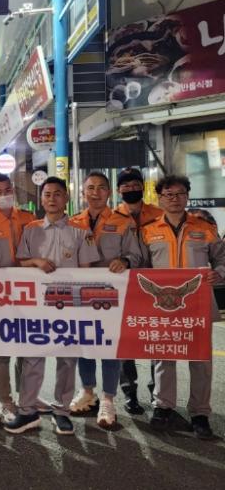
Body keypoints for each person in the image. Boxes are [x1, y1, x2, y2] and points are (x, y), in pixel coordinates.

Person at [130, 175, 225, 440]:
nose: (174, 199)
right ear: (160, 199)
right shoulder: (148, 231)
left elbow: (222, 259)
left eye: (179, 193)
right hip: (162, 307)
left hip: (198, 305)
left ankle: (200, 414)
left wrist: (218, 273)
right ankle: (163, 407)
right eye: (168, 194)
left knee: (201, 361)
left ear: (187, 197)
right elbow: (139, 264)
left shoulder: (205, 228)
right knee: (163, 357)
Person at [6, 176, 100, 436]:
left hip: (69, 306)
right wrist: (35, 261)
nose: (52, 199)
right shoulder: (31, 229)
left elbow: (86, 271)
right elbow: (20, 262)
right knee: (32, 358)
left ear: (66, 198)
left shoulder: (81, 231)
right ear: (41, 198)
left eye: (57, 194)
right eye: (47, 194)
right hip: (36, 307)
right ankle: (27, 410)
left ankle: (62, 412)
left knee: (67, 361)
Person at [68, 172, 135, 428]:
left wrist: (125, 260)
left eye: (101, 188)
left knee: (109, 346)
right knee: (83, 344)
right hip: (79, 296)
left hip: (111, 296)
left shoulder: (123, 222)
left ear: (109, 192)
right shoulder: (72, 223)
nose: (95, 193)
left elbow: (136, 254)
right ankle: (87, 391)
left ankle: (108, 398)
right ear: (83, 192)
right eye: (90, 188)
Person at [0, 174, 37, 424]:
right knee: (1, 352)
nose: (3, 195)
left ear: (13, 190)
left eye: (6, 190)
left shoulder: (29, 219)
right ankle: (6, 402)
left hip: (29, 295)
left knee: (27, 348)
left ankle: (27, 398)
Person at [114, 167, 163, 414]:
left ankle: (158, 392)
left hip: (157, 286)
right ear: (118, 190)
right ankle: (129, 393)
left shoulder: (159, 214)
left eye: (135, 184)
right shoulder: (113, 217)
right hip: (125, 285)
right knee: (126, 341)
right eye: (126, 185)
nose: (131, 188)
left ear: (143, 187)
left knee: (156, 340)